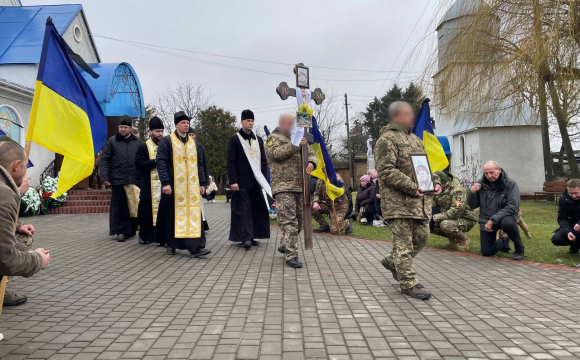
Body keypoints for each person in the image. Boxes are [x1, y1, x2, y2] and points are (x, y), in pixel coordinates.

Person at [374, 101, 442, 300]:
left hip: (419, 203)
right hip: (398, 203)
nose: (412, 117)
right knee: (404, 244)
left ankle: (392, 261)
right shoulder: (386, 140)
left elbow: (425, 167)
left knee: (422, 238)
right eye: (407, 114)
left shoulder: (415, 139)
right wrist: (413, 187)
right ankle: (409, 283)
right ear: (396, 116)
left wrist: (435, 182)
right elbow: (386, 171)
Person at [0, 137, 50, 306]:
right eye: (25, 167)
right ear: (16, 165)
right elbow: (5, 259)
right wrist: (37, 260)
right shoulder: (4, 194)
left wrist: (19, 229)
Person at [156, 111, 210, 257]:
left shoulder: (193, 143)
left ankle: (197, 247)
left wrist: (202, 183)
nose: (186, 125)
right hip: (175, 187)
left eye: (187, 123)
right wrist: (166, 182)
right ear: (176, 125)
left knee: (194, 215)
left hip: (191, 188)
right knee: (173, 217)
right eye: (183, 123)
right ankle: (172, 245)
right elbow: (161, 162)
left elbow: (199, 164)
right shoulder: (167, 141)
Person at [266, 114, 317, 268]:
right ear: (282, 124)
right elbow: (276, 154)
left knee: (299, 221)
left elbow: (312, 154)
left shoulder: (298, 137)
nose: (291, 126)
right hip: (283, 187)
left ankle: (284, 244)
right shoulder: (273, 138)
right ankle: (291, 255)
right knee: (289, 223)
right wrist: (295, 144)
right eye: (288, 123)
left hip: (300, 186)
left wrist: (311, 164)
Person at [226, 109, 270, 249]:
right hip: (241, 182)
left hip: (256, 182)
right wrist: (233, 181)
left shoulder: (259, 140)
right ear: (242, 122)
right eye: (247, 121)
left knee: (255, 210)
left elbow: (263, 161)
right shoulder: (234, 139)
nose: (250, 123)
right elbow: (231, 162)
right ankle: (245, 238)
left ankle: (252, 235)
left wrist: (262, 179)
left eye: (252, 121)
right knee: (244, 211)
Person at [467, 161, 524, 260]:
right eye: (486, 173)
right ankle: (504, 240)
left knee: (508, 223)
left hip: (505, 217)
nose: (489, 176)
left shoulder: (510, 184)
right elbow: (473, 206)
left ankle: (519, 249)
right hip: (486, 219)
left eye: (492, 172)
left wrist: (493, 220)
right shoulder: (480, 184)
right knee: (486, 252)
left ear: (499, 170)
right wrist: (471, 192)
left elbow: (512, 206)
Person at [99, 115, 142, 242]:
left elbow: (141, 160)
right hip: (118, 179)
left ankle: (131, 230)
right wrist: (105, 177)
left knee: (134, 206)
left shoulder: (138, 142)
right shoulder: (112, 141)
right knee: (120, 206)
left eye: (125, 127)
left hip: (134, 179)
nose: (123, 129)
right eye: (121, 127)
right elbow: (105, 160)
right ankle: (121, 231)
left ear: (130, 128)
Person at [134, 116, 164, 245]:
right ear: (150, 132)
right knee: (145, 212)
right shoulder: (143, 147)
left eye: (162, 131)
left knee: (163, 212)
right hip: (148, 185)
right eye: (157, 131)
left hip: (163, 185)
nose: (160, 134)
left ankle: (162, 237)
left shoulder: (166, 145)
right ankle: (144, 236)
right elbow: (138, 164)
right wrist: (155, 162)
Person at [431, 171, 477, 251]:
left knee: (445, 224)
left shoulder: (457, 191)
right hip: (449, 217)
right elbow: (434, 205)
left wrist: (435, 217)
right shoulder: (439, 190)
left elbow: (456, 211)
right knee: (427, 223)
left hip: (466, 218)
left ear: (442, 183)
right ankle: (453, 239)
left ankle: (464, 239)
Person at [187, 127, 210, 230]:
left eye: (193, 135)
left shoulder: (200, 147)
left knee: (199, 202)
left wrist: (205, 181)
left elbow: (203, 164)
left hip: (198, 179)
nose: (192, 136)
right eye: (190, 135)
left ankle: (202, 222)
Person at [551, 179, 580, 254]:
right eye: (571, 193)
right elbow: (562, 218)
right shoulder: (564, 199)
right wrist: (568, 232)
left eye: (576, 193)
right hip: (573, 225)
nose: (573, 196)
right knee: (556, 239)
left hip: (578, 224)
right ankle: (575, 245)